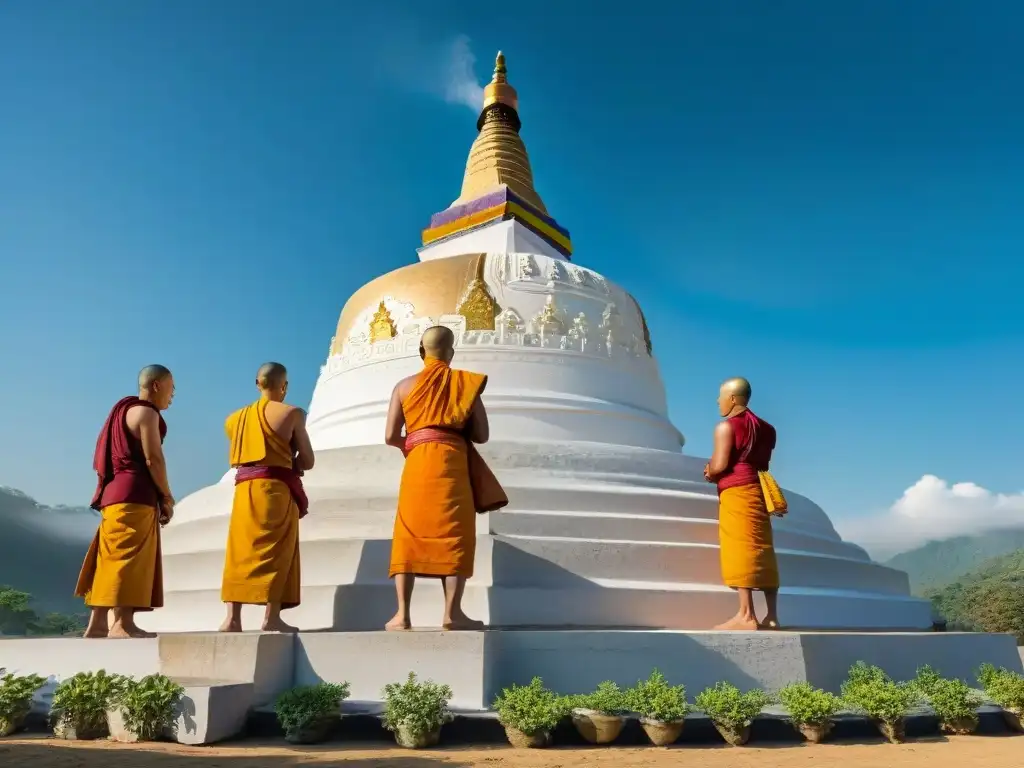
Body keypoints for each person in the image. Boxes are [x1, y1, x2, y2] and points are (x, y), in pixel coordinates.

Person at [384, 326, 505, 631]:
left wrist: (412, 442)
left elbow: (390, 436)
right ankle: (452, 613)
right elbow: (482, 435)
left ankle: (402, 615)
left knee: (409, 535)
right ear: (451, 352)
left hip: (418, 465)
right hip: (452, 463)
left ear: (421, 351)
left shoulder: (403, 386)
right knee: (454, 534)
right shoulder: (464, 384)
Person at [76, 365, 176, 638]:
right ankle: (122, 624)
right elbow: (153, 459)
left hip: (113, 494)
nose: (173, 395)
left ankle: (97, 623)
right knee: (130, 559)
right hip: (136, 493)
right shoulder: (146, 413)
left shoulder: (120, 413)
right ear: (156, 385)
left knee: (109, 557)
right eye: (171, 387)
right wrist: (166, 495)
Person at [219, 362, 314, 633]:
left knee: (239, 551)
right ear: (284, 386)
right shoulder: (292, 413)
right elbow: (307, 460)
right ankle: (271, 618)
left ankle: (232, 619)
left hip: (244, 492)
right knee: (276, 550)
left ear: (257, 383)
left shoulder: (233, 419)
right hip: (275, 490)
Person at [703, 376, 782, 630]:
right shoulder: (768, 429)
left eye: (721, 396)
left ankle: (746, 615)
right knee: (762, 547)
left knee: (740, 547)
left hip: (737, 490)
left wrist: (709, 471)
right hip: (759, 489)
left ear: (733, 398)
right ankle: (771, 616)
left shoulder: (726, 427)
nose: (718, 401)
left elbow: (720, 465)